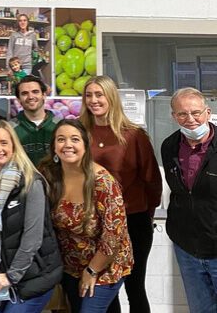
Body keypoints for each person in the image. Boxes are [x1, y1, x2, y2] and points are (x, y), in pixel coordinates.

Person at [80, 76, 161, 313]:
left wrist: (146, 215)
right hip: (93, 223)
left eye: (99, 94)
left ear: (111, 97)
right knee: (104, 287)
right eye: (89, 95)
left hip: (132, 221)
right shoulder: (80, 132)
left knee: (135, 287)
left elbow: (152, 181)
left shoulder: (134, 135)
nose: (94, 100)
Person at [39, 119, 133, 313]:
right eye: (61, 139)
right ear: (54, 146)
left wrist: (92, 271)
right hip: (69, 266)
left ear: (85, 145)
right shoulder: (48, 175)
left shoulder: (103, 182)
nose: (68, 145)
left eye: (74, 139)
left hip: (105, 265)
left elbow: (113, 236)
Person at [0, 120, 62, 313]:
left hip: (32, 277)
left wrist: (11, 277)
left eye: (4, 143)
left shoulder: (31, 181)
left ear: (14, 146)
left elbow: (33, 238)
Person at [160, 87, 217, 313]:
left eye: (196, 112)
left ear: (208, 112)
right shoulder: (169, 146)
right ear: (174, 116)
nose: (190, 119)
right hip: (188, 250)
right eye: (182, 114)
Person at [11, 76, 58, 166]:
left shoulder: (60, 126)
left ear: (44, 95)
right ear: (18, 99)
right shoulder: (10, 129)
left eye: (35, 92)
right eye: (24, 93)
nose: (30, 97)